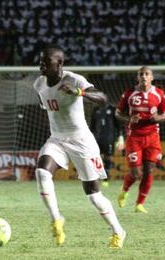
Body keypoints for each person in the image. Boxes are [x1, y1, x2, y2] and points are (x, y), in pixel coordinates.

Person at [33, 45, 125, 248]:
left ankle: (118, 231)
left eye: (46, 62)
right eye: (40, 60)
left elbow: (103, 99)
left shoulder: (74, 79)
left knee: (93, 194)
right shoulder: (39, 84)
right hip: (57, 139)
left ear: (60, 63)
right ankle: (57, 219)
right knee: (42, 172)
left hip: (81, 141)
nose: (42, 64)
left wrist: (80, 92)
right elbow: (49, 107)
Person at [115, 66, 165, 214]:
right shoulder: (129, 94)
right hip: (135, 138)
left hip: (153, 138)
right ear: (137, 77)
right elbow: (118, 113)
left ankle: (139, 204)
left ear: (152, 77)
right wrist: (130, 119)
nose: (144, 76)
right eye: (141, 74)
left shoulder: (159, 94)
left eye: (147, 74)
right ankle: (124, 191)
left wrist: (157, 118)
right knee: (136, 173)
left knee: (149, 171)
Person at [90, 104, 124, 187]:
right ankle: (95, 178)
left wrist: (120, 137)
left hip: (109, 139)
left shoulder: (112, 109)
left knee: (107, 157)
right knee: (95, 158)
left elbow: (118, 125)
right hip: (96, 139)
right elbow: (92, 126)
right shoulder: (95, 109)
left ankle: (106, 178)